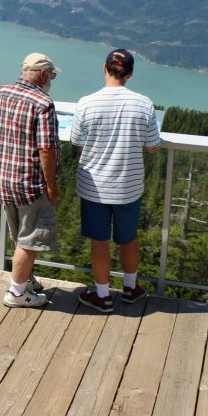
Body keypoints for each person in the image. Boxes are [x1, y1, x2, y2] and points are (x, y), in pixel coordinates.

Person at [70, 49, 162, 312]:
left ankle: (102, 295)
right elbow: (153, 146)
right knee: (128, 238)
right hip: (129, 186)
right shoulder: (144, 104)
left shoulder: (86, 102)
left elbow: (76, 141)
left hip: (94, 187)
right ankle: (131, 289)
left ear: (104, 68)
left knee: (100, 241)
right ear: (130, 74)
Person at [0, 52, 61, 308]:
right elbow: (46, 149)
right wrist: (51, 185)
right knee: (30, 239)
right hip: (31, 184)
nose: (51, 80)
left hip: (4, 179)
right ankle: (17, 293)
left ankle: (25, 278)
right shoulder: (43, 103)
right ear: (43, 74)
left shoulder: (2, 92)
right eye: (51, 75)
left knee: (19, 236)